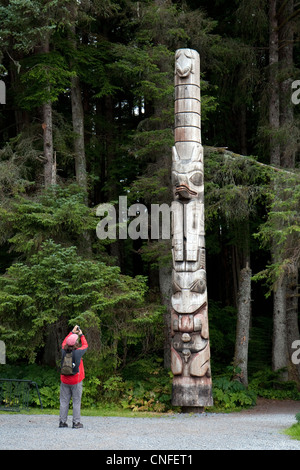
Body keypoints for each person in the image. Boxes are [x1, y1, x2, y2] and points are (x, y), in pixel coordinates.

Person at [59, 325, 88, 428]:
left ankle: (62, 422)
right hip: (76, 380)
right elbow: (85, 345)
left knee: (64, 401)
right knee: (76, 402)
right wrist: (81, 334)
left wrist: (72, 332)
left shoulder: (63, 350)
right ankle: (76, 423)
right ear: (76, 343)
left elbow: (64, 342)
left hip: (64, 380)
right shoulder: (78, 352)